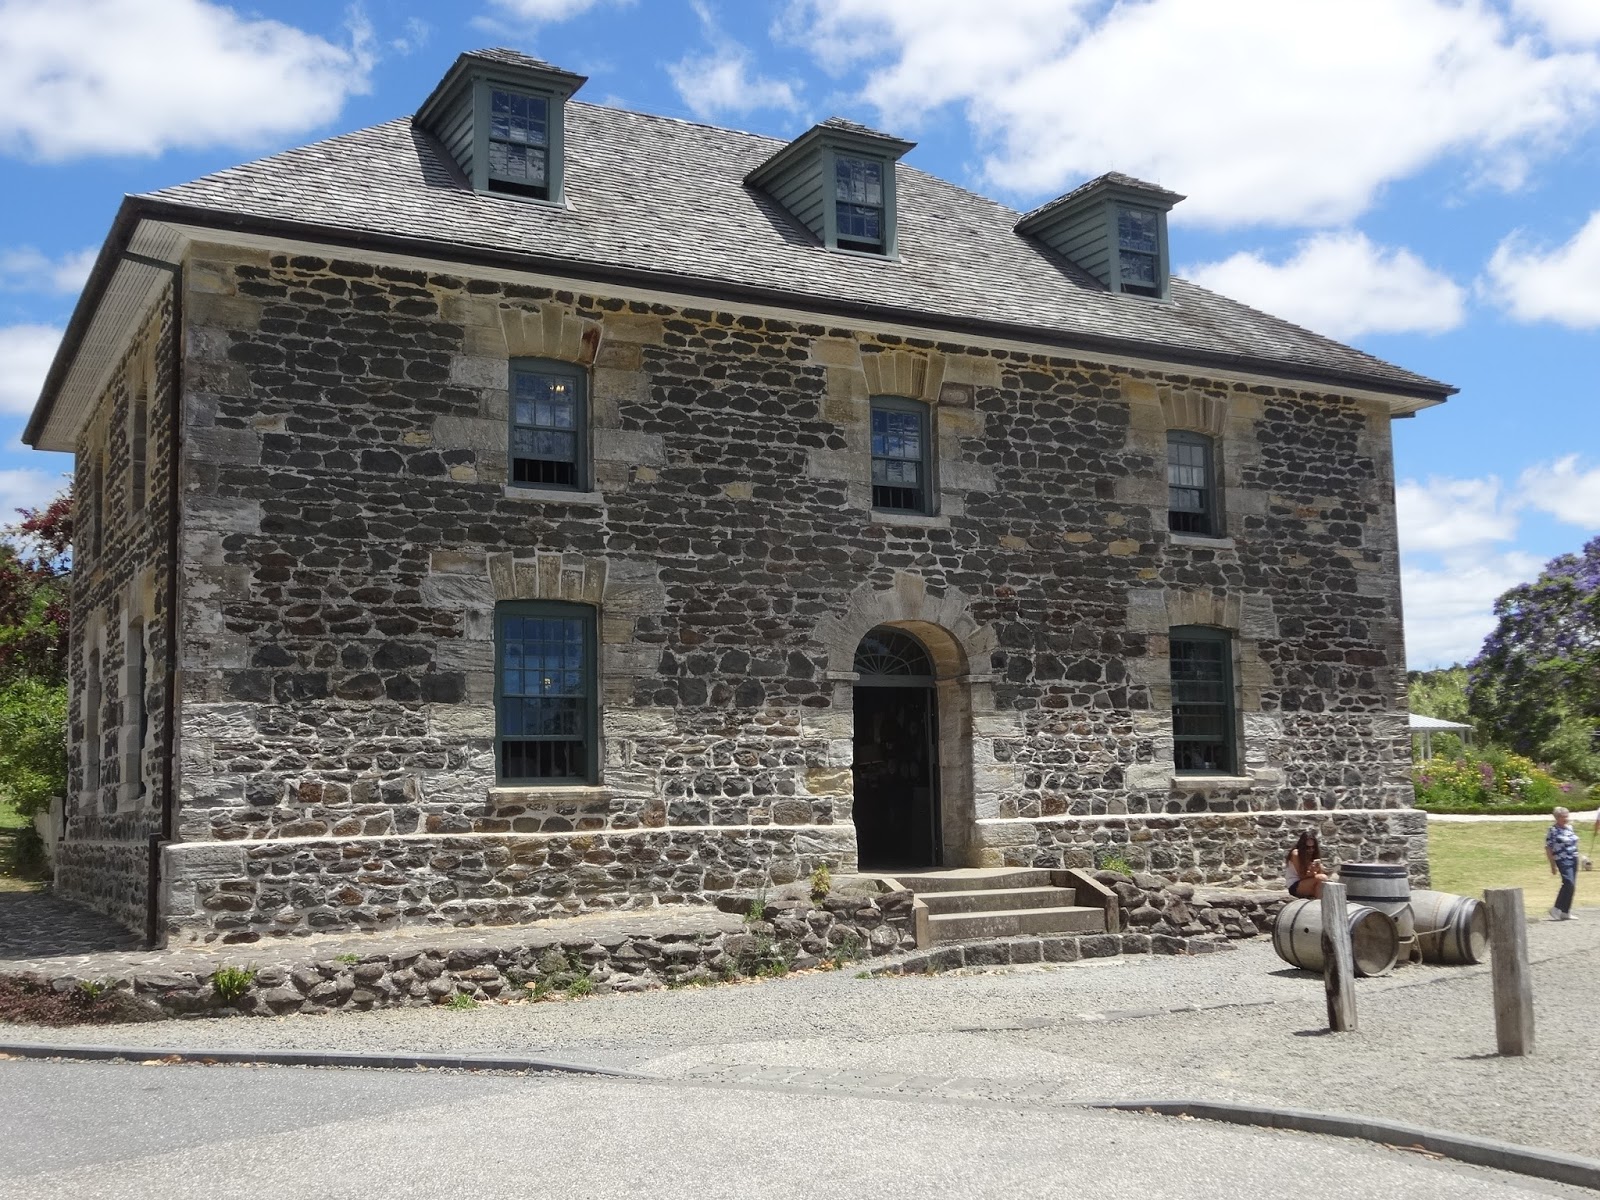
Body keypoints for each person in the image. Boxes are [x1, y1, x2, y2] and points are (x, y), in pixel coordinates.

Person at [1546, 806, 1581, 921]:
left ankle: (1565, 911)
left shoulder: (1569, 828)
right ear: (1557, 818)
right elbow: (1548, 848)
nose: (1566, 818)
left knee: (1572, 886)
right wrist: (1552, 865)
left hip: (1573, 858)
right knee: (1568, 882)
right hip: (1562, 859)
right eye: (1563, 817)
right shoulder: (1553, 830)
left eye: (1566, 816)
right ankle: (1556, 908)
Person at [1285, 831, 1331, 899]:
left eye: (1313, 847)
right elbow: (1302, 876)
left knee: (1326, 882)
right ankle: (1319, 903)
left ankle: (1319, 902)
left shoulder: (1313, 854)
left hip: (1307, 882)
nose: (1311, 850)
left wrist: (1318, 868)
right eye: (1308, 848)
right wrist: (1312, 871)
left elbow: (1321, 873)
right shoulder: (1296, 854)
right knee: (1322, 878)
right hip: (1295, 885)